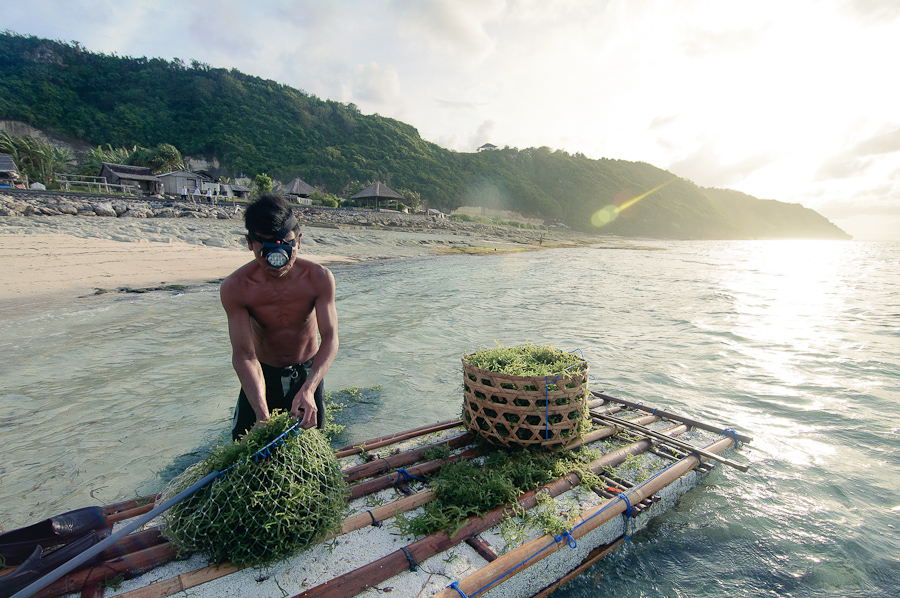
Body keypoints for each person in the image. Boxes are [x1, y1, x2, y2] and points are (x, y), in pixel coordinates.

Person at [220, 194, 338, 441]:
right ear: (249, 243)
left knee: (313, 444)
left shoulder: (318, 278)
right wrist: (262, 414)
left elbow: (330, 338)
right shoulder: (236, 287)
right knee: (245, 445)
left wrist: (309, 389)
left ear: (299, 241)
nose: (277, 261)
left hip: (306, 372)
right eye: (266, 249)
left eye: (287, 246)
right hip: (262, 374)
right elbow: (244, 355)